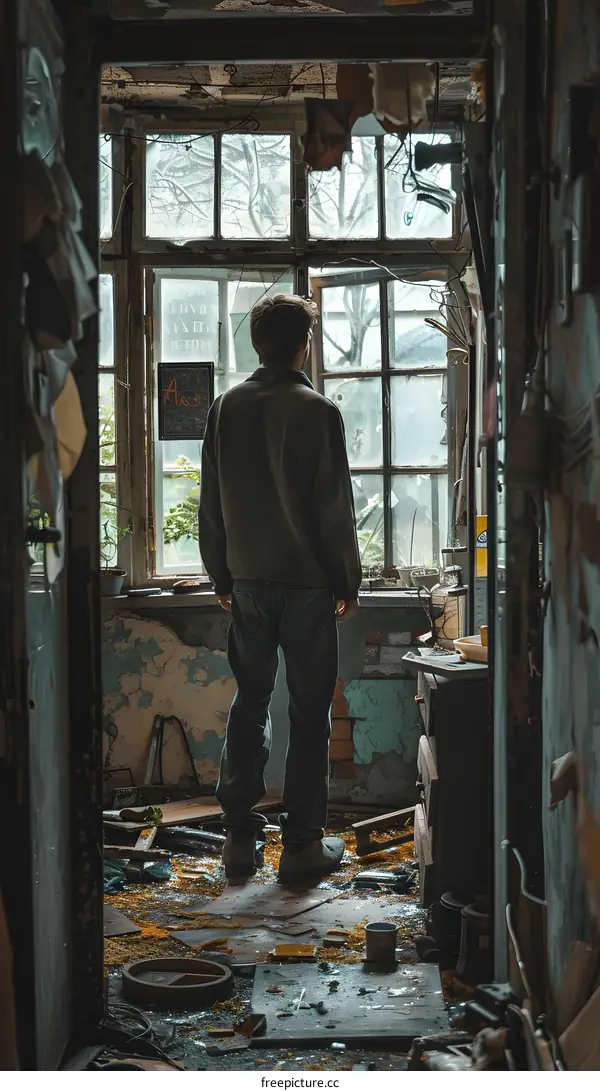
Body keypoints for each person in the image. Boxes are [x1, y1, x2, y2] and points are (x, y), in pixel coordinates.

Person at [198, 295, 362, 883]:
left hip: (247, 583)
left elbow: (210, 504)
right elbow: (333, 508)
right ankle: (301, 848)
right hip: (308, 588)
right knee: (310, 713)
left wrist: (221, 573)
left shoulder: (225, 407)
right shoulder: (319, 411)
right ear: (304, 344)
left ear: (256, 345)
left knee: (250, 705)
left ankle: (239, 843)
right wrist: (348, 580)